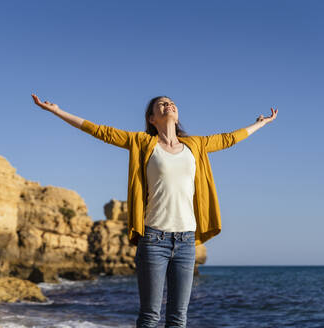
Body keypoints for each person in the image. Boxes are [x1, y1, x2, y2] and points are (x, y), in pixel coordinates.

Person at [31, 94, 277, 328]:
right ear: (152, 118)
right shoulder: (141, 142)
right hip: (153, 240)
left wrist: (260, 124)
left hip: (186, 241)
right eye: (161, 104)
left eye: (171, 103)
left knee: (178, 318)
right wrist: (57, 111)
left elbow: (228, 138)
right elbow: (100, 131)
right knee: (150, 316)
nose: (168, 105)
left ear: (177, 114)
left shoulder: (196, 145)